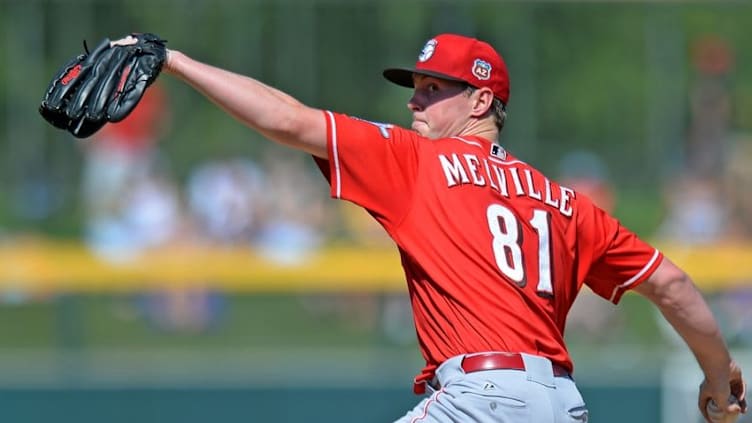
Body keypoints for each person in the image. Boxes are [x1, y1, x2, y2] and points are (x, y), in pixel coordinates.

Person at [161, 32, 746, 422]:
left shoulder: (417, 163)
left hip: (480, 400)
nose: (415, 103)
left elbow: (286, 119)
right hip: (562, 405)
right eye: (416, 89)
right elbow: (671, 285)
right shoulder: (569, 204)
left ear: (481, 101)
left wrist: (175, 62)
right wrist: (719, 377)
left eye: (434, 90)